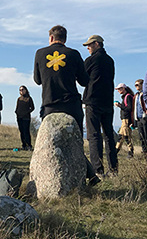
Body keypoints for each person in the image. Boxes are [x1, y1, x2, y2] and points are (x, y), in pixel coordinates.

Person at [33, 25, 99, 185]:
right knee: (75, 141)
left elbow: (37, 80)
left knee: (51, 142)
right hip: (71, 105)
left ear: (50, 38)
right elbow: (84, 81)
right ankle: (89, 175)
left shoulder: (40, 54)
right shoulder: (74, 54)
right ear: (65, 39)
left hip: (50, 105)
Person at [82, 35, 118, 177]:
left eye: (89, 45)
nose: (88, 48)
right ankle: (113, 169)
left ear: (97, 44)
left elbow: (83, 79)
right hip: (108, 101)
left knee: (94, 135)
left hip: (93, 100)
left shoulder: (91, 60)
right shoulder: (110, 60)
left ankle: (98, 169)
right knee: (109, 135)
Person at [134, 79, 147, 157]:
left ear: (142, 85)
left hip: (145, 117)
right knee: (141, 136)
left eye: (137, 85)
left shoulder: (145, 94)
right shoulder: (136, 95)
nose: (136, 86)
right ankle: (144, 153)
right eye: (135, 85)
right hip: (138, 118)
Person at [114, 83, 135, 158]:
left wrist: (120, 106)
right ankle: (115, 151)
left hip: (126, 119)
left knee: (126, 135)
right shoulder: (126, 97)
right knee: (121, 136)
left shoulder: (128, 97)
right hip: (124, 120)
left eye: (119, 89)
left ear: (123, 89)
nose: (118, 91)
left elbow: (129, 109)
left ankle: (130, 151)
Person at [15, 85, 35, 150]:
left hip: (26, 118)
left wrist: (26, 112)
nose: (21, 91)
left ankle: (29, 145)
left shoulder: (29, 98)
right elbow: (17, 107)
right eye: (20, 90)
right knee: (21, 132)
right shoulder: (19, 99)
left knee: (26, 131)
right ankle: (23, 145)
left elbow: (32, 108)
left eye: (22, 89)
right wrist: (16, 112)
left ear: (25, 90)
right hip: (19, 117)